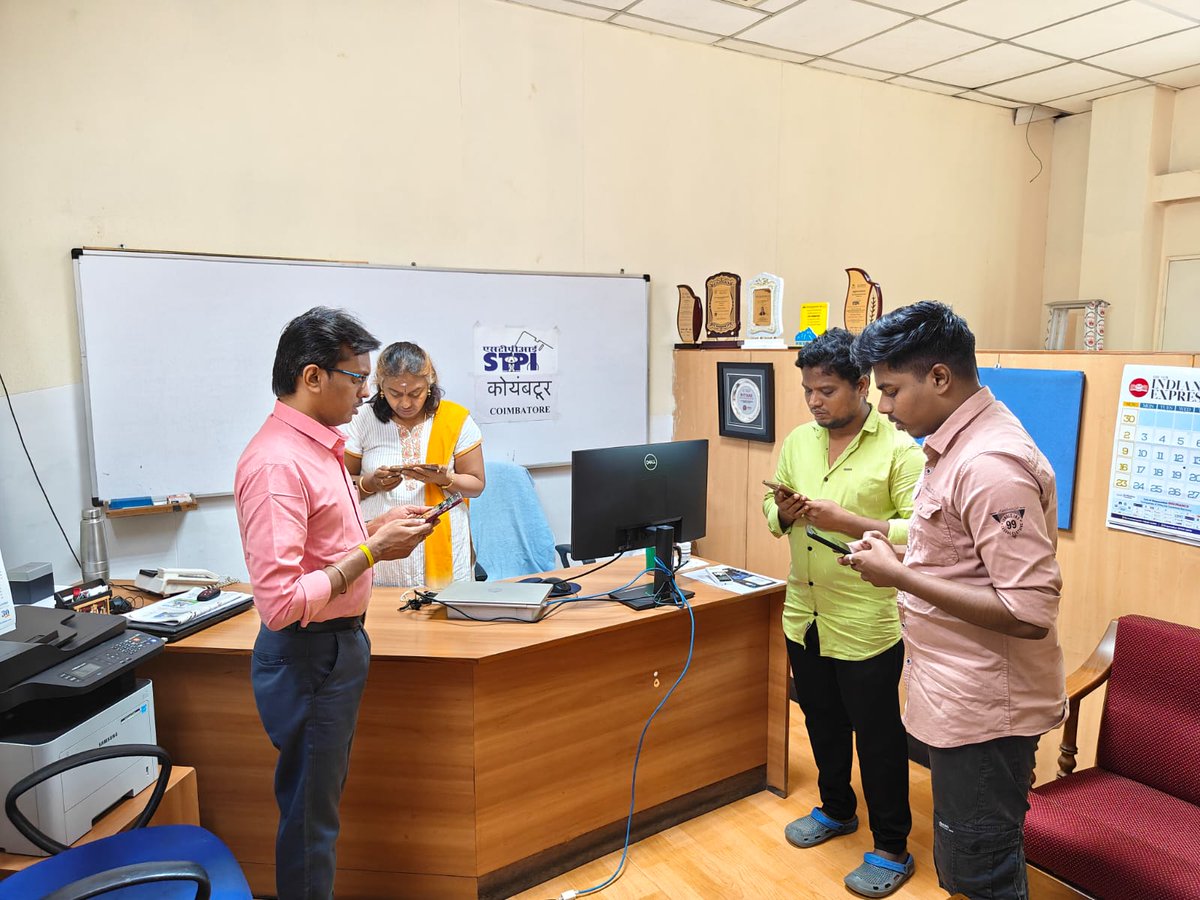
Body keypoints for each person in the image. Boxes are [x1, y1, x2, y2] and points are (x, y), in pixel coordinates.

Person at [847, 301, 1066, 900]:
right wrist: (899, 557)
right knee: (968, 860)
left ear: (939, 377)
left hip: (986, 713)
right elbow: (956, 555)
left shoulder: (989, 465)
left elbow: (1029, 612)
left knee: (979, 873)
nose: (883, 408)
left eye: (890, 391)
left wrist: (899, 578)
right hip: (956, 696)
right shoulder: (951, 447)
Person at [234, 307, 434, 900]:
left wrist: (380, 525)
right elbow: (281, 603)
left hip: (336, 648)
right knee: (309, 824)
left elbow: (324, 543)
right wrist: (373, 552)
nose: (366, 393)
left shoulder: (320, 447)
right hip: (308, 654)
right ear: (314, 376)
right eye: (357, 379)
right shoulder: (276, 462)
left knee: (317, 809)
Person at [763, 327, 924, 898]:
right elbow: (769, 507)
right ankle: (836, 810)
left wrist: (848, 521)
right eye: (808, 389)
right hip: (802, 611)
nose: (814, 401)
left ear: (862, 385)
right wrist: (782, 511)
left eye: (826, 390)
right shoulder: (798, 442)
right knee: (821, 722)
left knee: (878, 736)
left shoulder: (901, 450)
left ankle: (891, 846)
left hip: (866, 618)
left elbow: (920, 533)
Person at [343, 341, 485, 587]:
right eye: (395, 393)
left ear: (429, 385)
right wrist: (370, 483)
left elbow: (476, 485)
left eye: (415, 393)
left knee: (444, 619)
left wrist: (444, 479)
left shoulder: (455, 419)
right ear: (380, 387)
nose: (405, 403)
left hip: (443, 547)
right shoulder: (361, 419)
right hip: (382, 550)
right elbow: (340, 486)